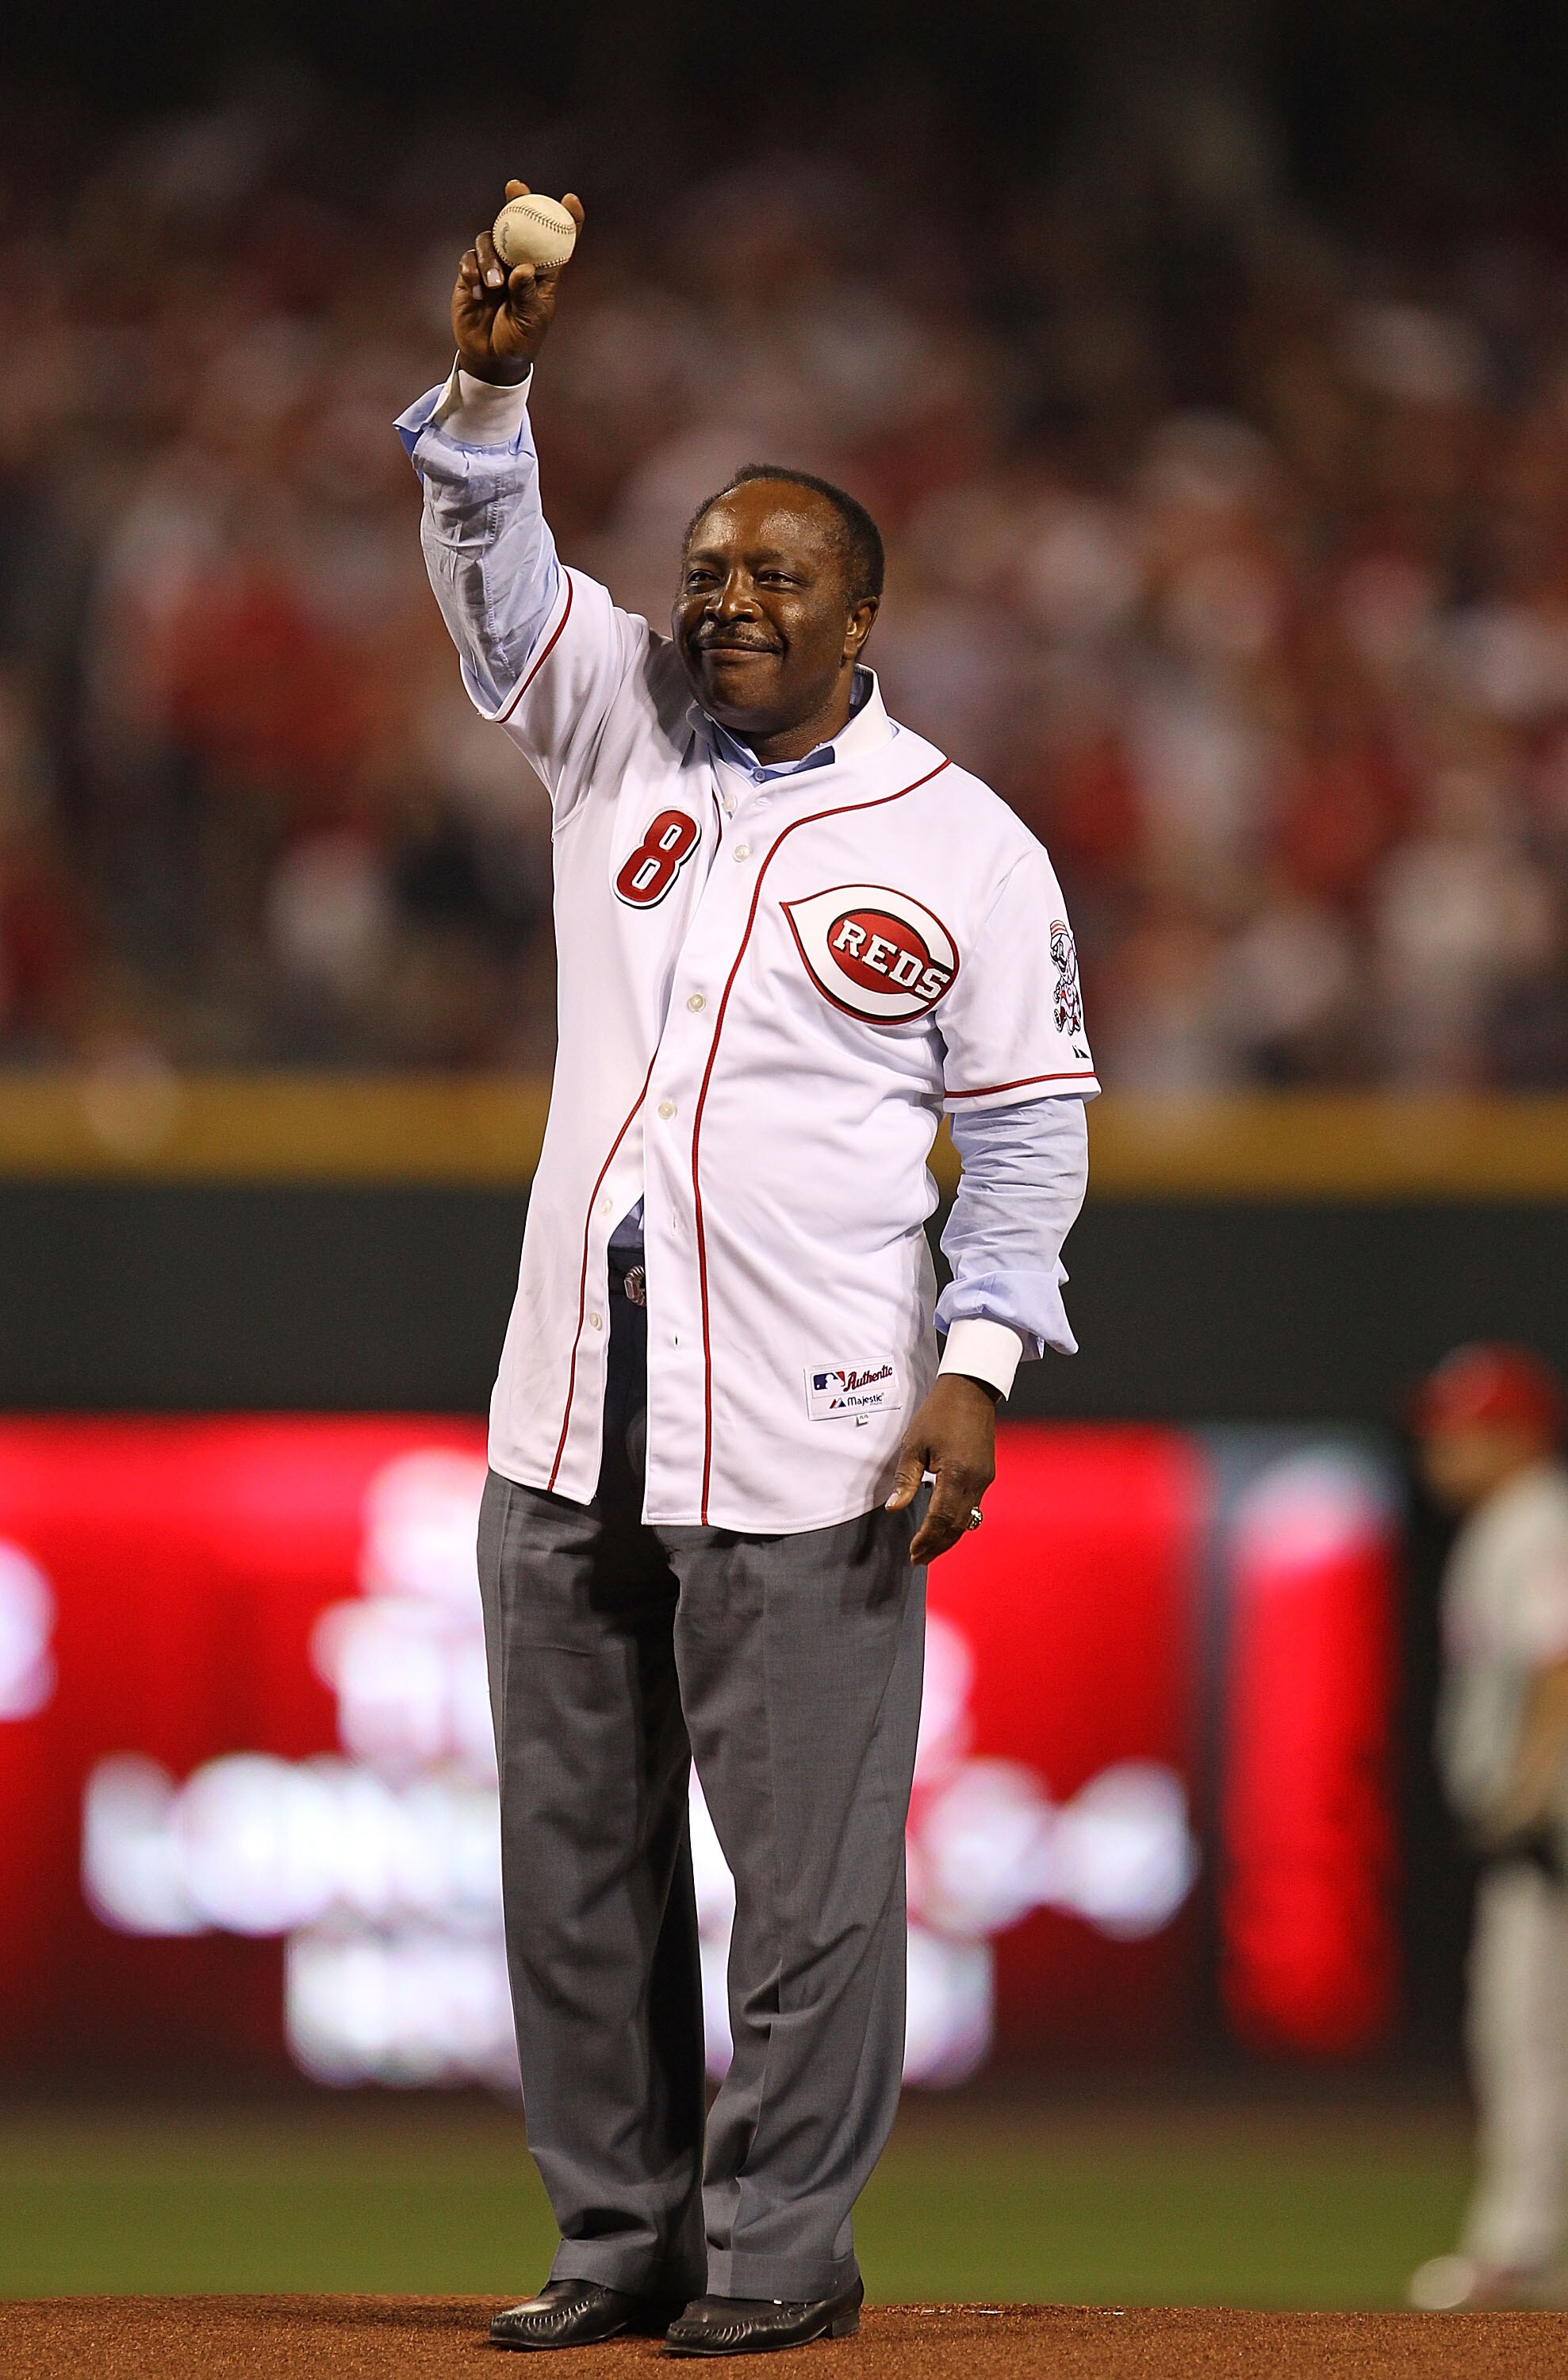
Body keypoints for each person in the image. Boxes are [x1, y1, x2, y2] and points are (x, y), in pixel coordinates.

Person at [397, 182, 1097, 2358]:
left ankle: (780, 2249)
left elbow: (1027, 1134)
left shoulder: (963, 843)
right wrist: (493, 381)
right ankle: (621, 2244)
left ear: (866, 610)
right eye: (706, 574)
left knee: (805, 1900)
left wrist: (977, 1360)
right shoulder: (615, 727)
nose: (729, 603)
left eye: (778, 574)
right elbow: (496, 575)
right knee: (575, 1879)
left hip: (807, 1430)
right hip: (566, 1405)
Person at [1409, 1343, 1568, 2313]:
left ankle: (1516, 2247)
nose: (1438, 1451)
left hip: (1549, 1833)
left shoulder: (1534, 1522)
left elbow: (1561, 1664)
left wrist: (1522, 1804)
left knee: (1525, 2032)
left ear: (1516, 1437)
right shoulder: (1516, 1522)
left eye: (1460, 1432)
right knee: (1527, 2031)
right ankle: (1524, 2243)